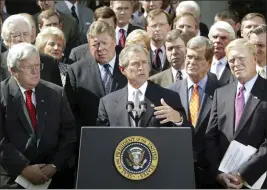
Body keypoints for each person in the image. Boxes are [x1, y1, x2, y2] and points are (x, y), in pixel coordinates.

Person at [0, 43, 76, 188]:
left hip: (52, 177)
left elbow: (69, 134)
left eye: (37, 66)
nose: (36, 72)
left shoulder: (56, 93)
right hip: (12, 178)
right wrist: (23, 168)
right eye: (29, 68)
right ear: (12, 70)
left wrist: (53, 166)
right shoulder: (2, 95)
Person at [206, 38, 267, 189]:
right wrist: (219, 173)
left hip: (258, 180)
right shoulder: (221, 93)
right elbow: (210, 137)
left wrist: (243, 174)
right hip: (224, 180)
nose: (236, 63)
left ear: (254, 59)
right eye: (232, 60)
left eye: (241, 58)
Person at [168, 36, 221, 188]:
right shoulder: (171, 91)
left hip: (211, 173)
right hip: (179, 170)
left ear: (209, 63)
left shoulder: (221, 91)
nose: (191, 62)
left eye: (198, 58)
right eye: (189, 57)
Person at [97, 44, 192, 129]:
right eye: (135, 64)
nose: (141, 68)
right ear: (122, 69)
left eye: (144, 62)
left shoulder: (168, 97)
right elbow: (102, 139)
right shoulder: (108, 103)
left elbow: (188, 136)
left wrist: (177, 119)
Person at [64, 20, 127, 141]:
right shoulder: (76, 71)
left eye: (104, 43)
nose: (100, 48)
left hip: (124, 138)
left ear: (114, 42)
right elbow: (71, 112)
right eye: (95, 44)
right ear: (88, 45)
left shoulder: (129, 67)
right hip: (89, 139)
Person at [0, 14, 62, 86]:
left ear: (31, 37)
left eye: (25, 34)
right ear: (6, 40)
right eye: (16, 35)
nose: (22, 39)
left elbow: (58, 94)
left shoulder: (49, 62)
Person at [208, 21, 236, 85]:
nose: (218, 41)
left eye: (223, 38)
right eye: (215, 37)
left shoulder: (236, 65)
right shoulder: (203, 62)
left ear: (231, 41)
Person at [146, 9, 171, 75]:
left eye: (162, 24)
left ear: (169, 27)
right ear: (147, 29)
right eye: (154, 26)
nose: (158, 29)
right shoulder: (143, 50)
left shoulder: (174, 49)